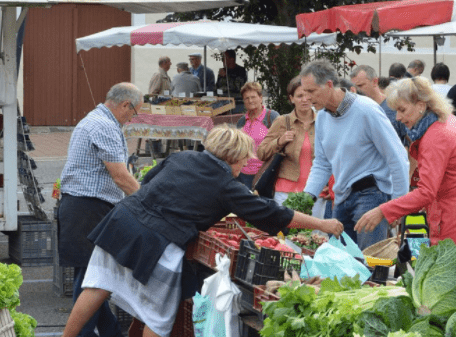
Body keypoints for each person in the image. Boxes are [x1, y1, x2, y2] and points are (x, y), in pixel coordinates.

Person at [60, 125, 344, 337]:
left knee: (97, 285)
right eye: (245, 159)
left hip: (122, 221)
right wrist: (322, 223)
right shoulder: (227, 186)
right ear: (232, 156)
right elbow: (273, 214)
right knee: (155, 316)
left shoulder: (182, 157)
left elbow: (149, 181)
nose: (246, 164)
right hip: (160, 240)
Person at [354, 76, 456, 274]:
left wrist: (384, 211)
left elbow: (426, 192)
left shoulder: (435, 135)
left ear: (421, 105)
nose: (397, 117)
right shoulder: (447, 121)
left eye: (402, 109)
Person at [58, 83, 143, 337]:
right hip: (88, 208)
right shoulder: (104, 126)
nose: (132, 119)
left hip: (84, 207)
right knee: (91, 280)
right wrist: (145, 201)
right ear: (125, 105)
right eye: (134, 112)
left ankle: (111, 333)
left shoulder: (97, 120)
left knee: (93, 276)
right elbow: (121, 176)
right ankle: (83, 334)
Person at [300, 60, 409, 250]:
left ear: (329, 85)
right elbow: (322, 164)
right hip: (341, 199)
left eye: (311, 91)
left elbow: (397, 157)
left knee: (370, 265)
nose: (307, 98)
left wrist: (397, 205)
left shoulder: (367, 110)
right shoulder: (323, 118)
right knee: (342, 267)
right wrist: (306, 198)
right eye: (304, 91)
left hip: (371, 196)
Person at [257, 77, 323, 215]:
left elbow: (334, 156)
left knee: (316, 235)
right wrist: (279, 141)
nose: (304, 99)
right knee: (288, 235)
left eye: (307, 94)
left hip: (317, 190)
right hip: (285, 190)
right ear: (291, 99)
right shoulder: (282, 121)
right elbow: (261, 152)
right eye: (299, 96)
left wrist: (330, 185)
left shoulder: (323, 121)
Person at [235, 82, 280, 189]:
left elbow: (281, 144)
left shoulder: (272, 117)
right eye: (246, 98)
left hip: (264, 174)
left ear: (260, 97)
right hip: (242, 174)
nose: (250, 101)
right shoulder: (242, 121)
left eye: (253, 97)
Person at [351, 65, 407, 144]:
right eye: (354, 87)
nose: (357, 90)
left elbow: (408, 142)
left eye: (360, 85)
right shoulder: (355, 110)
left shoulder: (394, 107)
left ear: (375, 82)